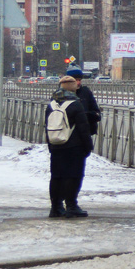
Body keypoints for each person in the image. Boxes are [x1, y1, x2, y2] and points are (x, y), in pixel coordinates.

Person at [47, 75, 94, 218]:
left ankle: (55, 207)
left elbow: (47, 126)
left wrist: (51, 145)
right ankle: (71, 205)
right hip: (74, 147)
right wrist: (88, 147)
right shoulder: (75, 104)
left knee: (56, 176)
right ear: (72, 88)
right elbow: (83, 128)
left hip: (56, 145)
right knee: (73, 176)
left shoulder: (52, 104)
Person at [65, 68, 102, 137]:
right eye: (75, 80)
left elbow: (97, 114)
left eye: (79, 80)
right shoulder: (61, 94)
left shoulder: (85, 92)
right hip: (67, 134)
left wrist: (84, 116)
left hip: (85, 133)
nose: (78, 83)